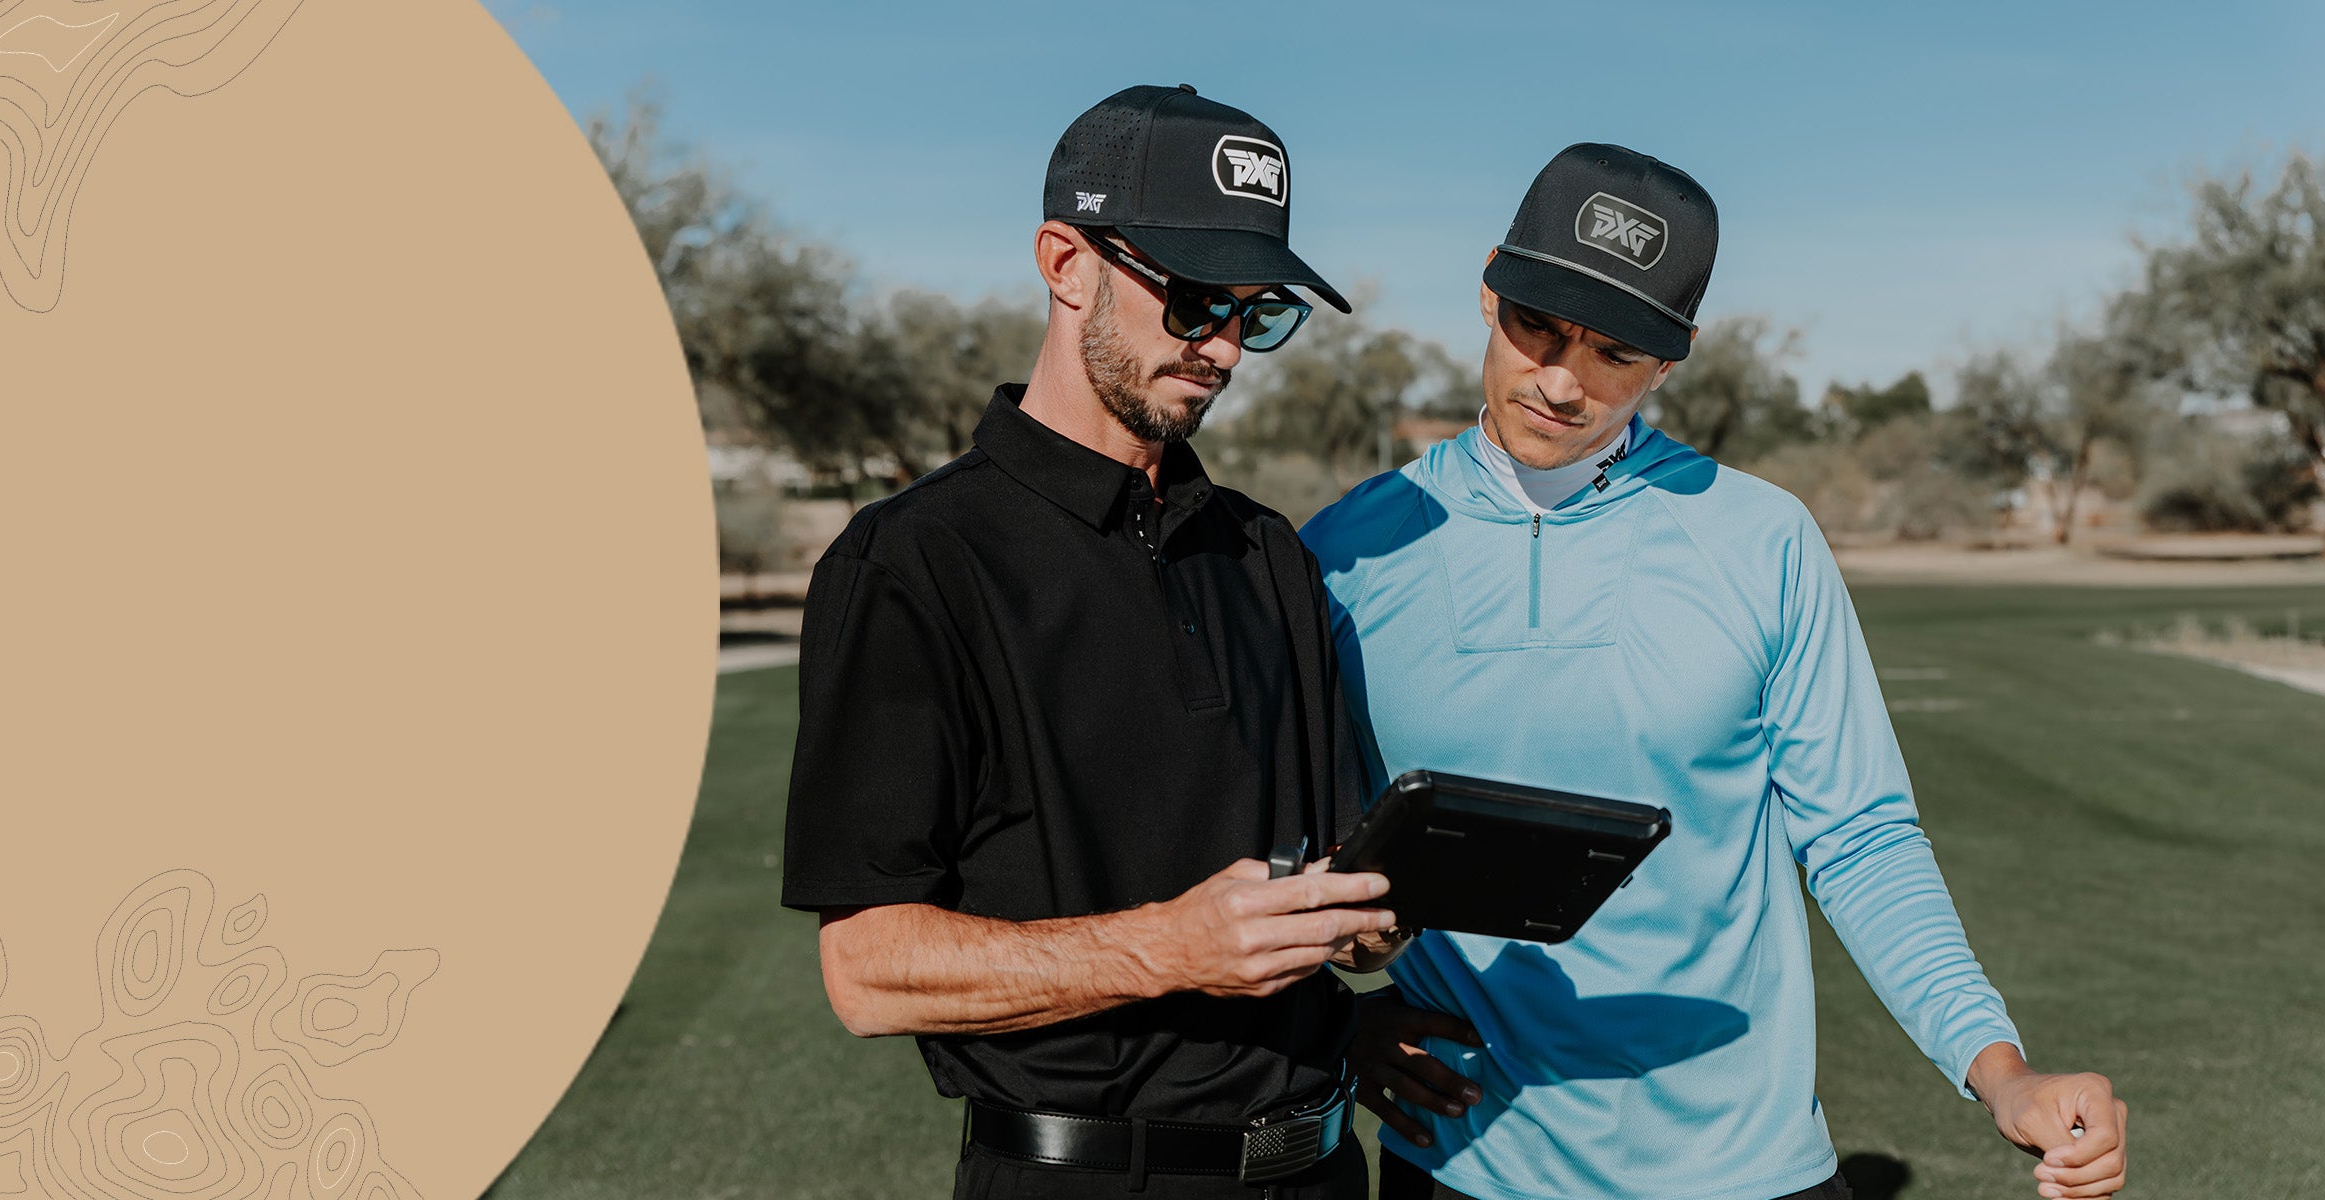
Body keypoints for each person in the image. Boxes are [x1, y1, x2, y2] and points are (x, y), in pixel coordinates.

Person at [1298, 144, 2129, 1200]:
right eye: (1537, 327)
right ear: (1489, 285)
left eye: (1613, 351)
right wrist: (1338, 1021)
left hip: (1744, 1170)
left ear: (1671, 359)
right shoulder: (1345, 553)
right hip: (1460, 1166)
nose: (1561, 381)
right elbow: (1267, 847)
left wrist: (1999, 1070)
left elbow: (1860, 836)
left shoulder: (1763, 541)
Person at [780, 84, 1407, 1199]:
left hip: (1319, 1174)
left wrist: (1362, 930)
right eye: (1198, 299)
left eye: (1256, 313)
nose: (1222, 347)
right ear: (1066, 264)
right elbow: (867, 971)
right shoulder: (916, 563)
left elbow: (1327, 884)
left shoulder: (1270, 556)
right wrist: (1172, 948)